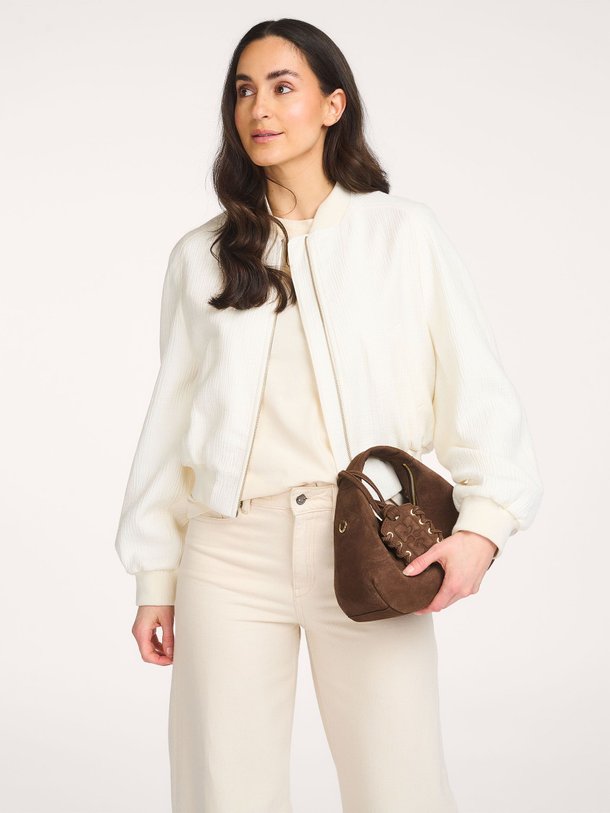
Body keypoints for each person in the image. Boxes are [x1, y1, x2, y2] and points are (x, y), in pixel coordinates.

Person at [114, 18, 543, 813]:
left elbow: (478, 390)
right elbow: (171, 425)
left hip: (369, 544)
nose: (259, 108)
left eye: (283, 87)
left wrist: (484, 528)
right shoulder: (201, 257)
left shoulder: (402, 235)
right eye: (244, 90)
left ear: (333, 105)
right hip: (227, 551)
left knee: (400, 785)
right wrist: (155, 577)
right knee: (221, 791)